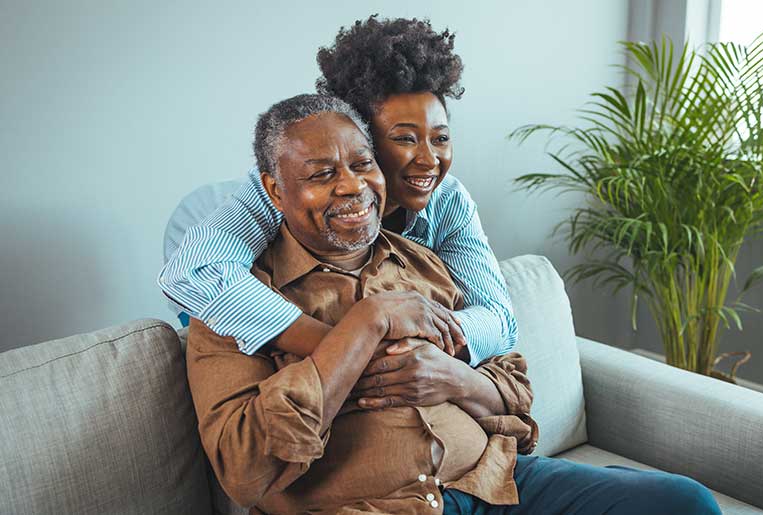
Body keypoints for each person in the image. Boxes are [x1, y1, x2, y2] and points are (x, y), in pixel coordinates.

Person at [186, 93, 722, 514]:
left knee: (684, 502)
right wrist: (366, 324)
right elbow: (245, 470)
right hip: (374, 507)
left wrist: (456, 379)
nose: (351, 186)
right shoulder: (233, 304)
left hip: (496, 483)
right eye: (322, 174)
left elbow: (515, 392)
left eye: (362, 164)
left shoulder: (423, 260)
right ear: (274, 190)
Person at [159, 16, 515, 368]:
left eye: (441, 138)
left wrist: (417, 350)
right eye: (405, 138)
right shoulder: (281, 186)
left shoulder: (448, 199)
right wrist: (351, 348)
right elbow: (192, 272)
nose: (429, 160)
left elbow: (499, 319)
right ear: (359, 136)